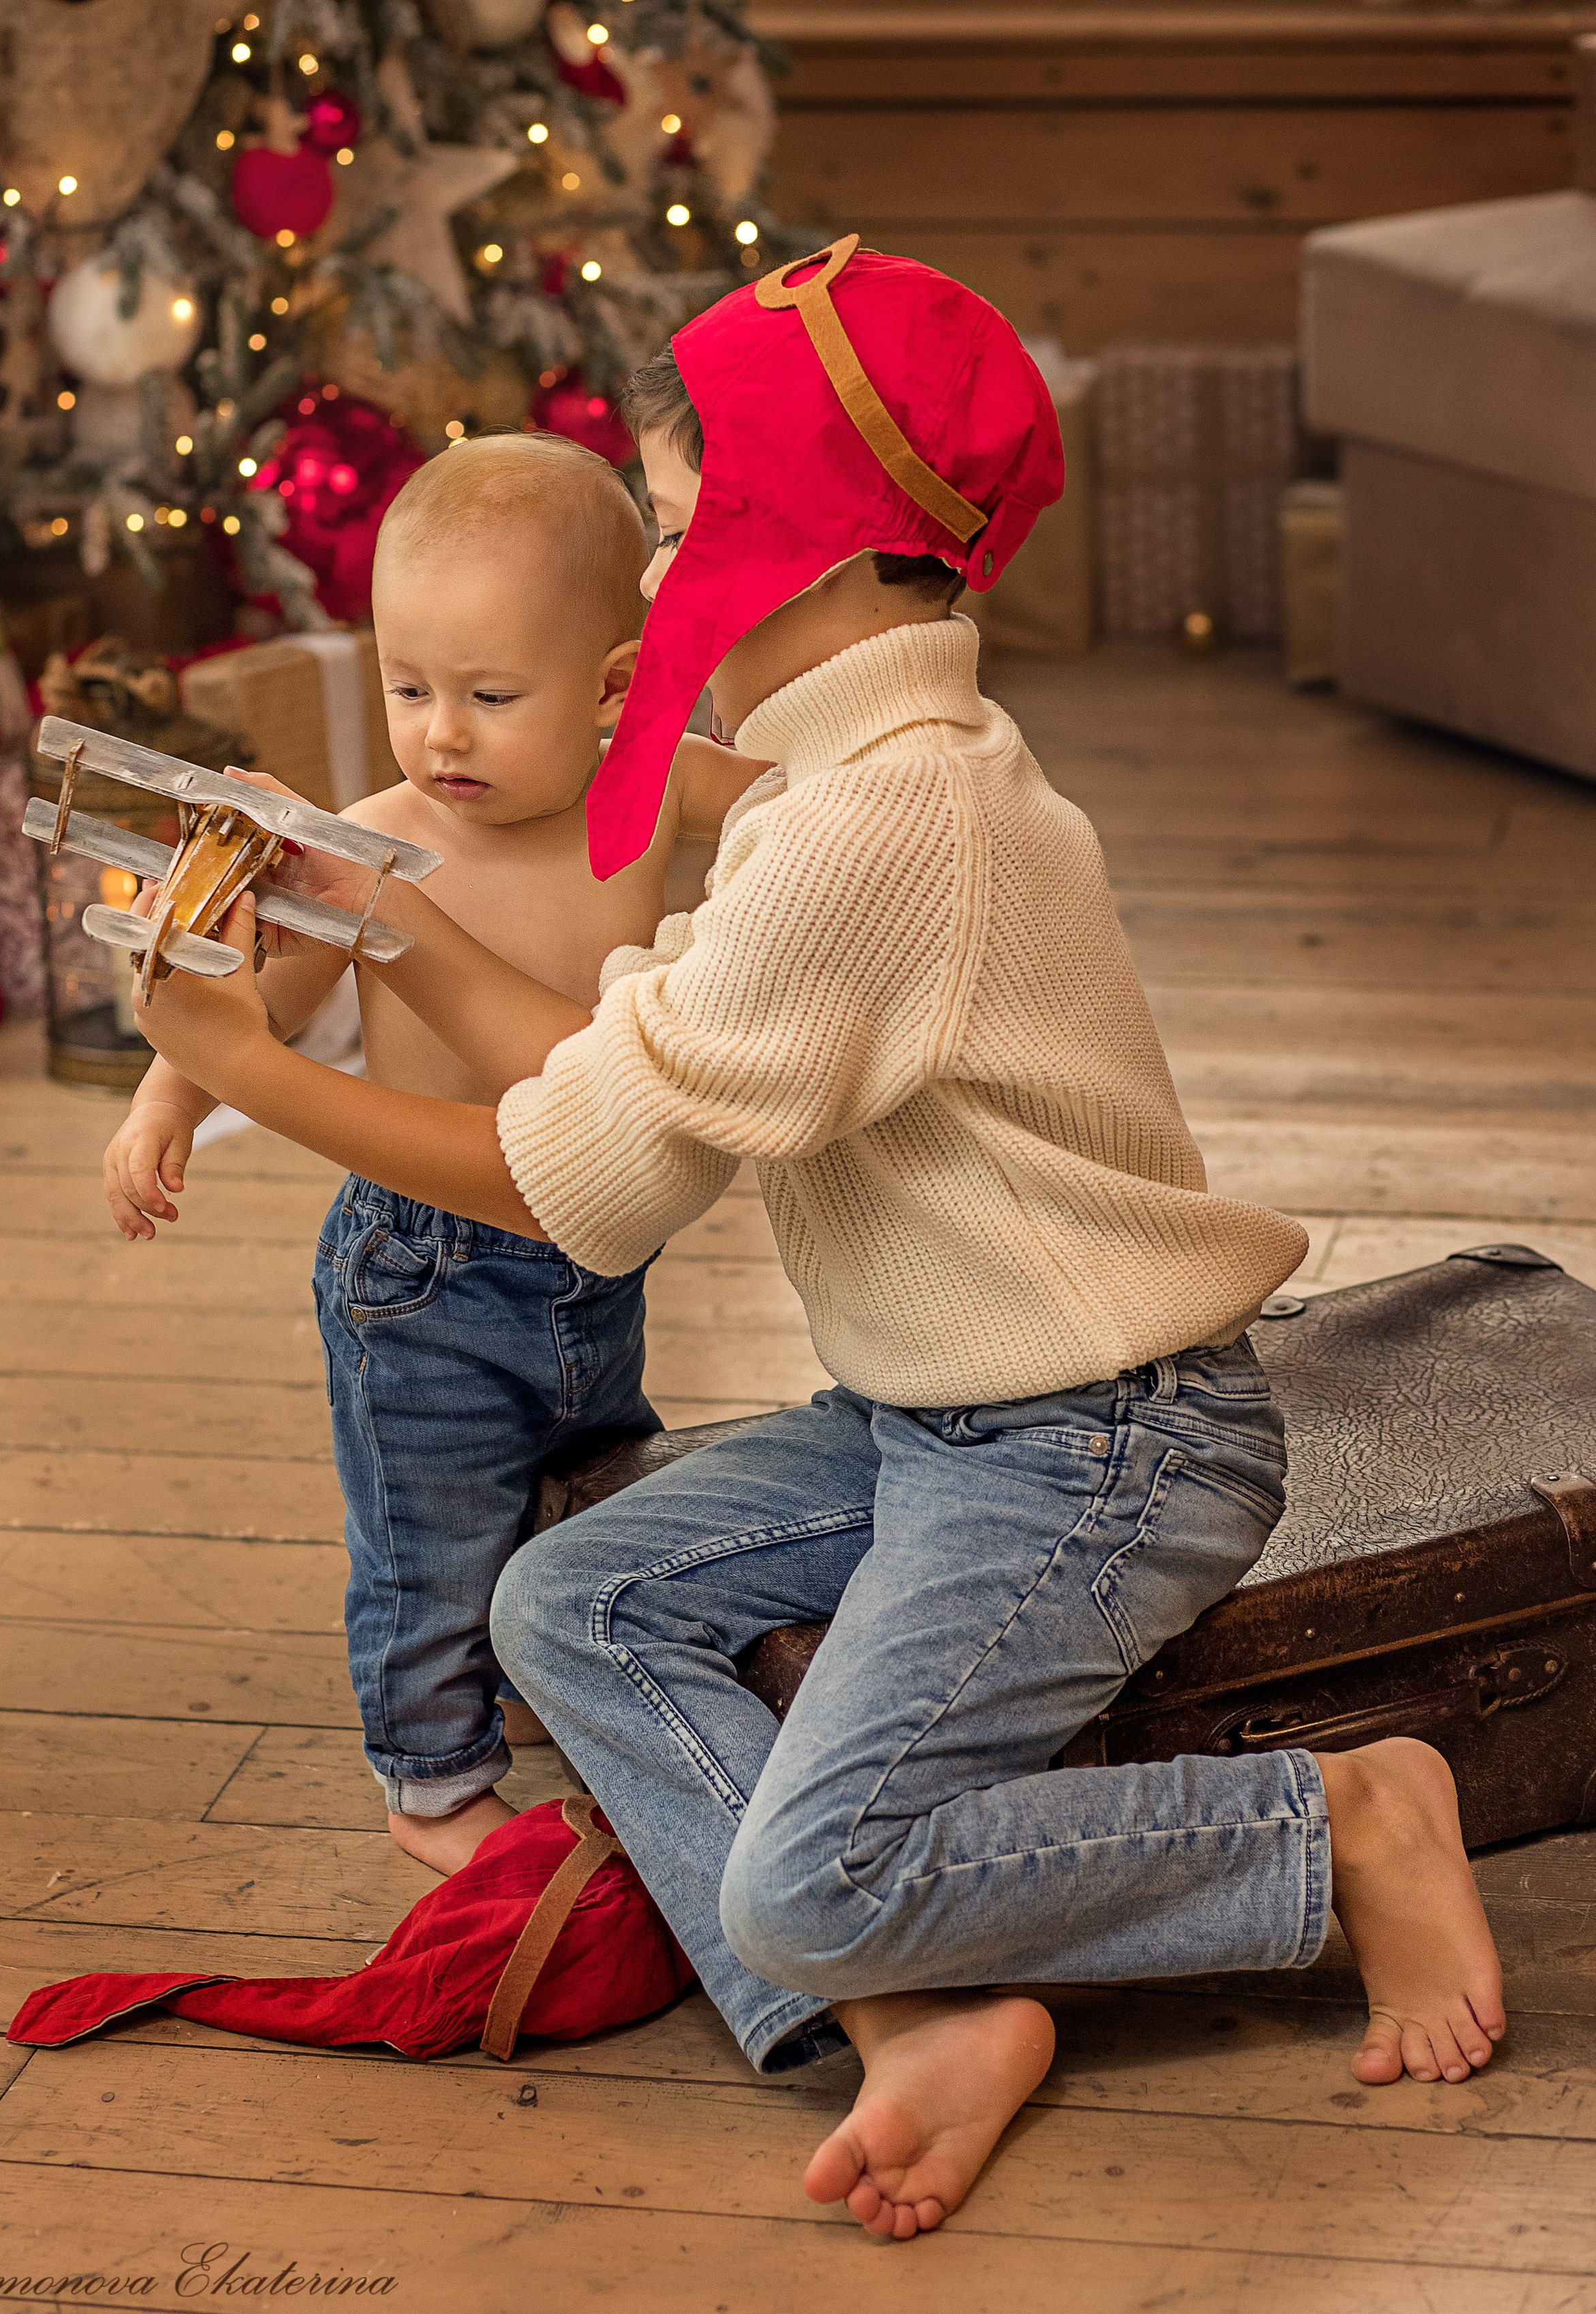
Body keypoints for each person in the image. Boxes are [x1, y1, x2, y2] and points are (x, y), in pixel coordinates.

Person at [127, 239, 1507, 2241]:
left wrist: (242, 1067)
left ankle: (1340, 1818)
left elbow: (573, 1180)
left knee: (808, 1864)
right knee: (562, 1604)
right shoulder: (838, 779)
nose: (659, 587)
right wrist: (384, 894)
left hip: (1101, 1440)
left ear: (808, 553)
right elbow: (618, 1067)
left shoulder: (879, 828)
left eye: (684, 534)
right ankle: (915, 2012)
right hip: (937, 1412)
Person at [101, 431, 764, 1877]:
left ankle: (529, 1670)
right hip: (424, 1271)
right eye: (408, 689)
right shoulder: (371, 840)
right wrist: (166, 1101)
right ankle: (429, 1773)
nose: (439, 734)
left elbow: (802, 800)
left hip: (593, 1250)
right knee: (428, 1525)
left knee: (585, 1470)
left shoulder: (648, 781)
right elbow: (249, 1009)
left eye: (487, 695)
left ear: (609, 687)